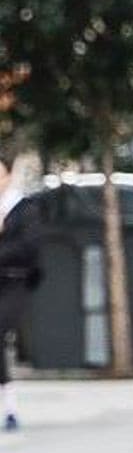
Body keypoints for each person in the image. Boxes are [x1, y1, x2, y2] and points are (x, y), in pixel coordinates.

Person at [0, 146, 42, 432]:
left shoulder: (24, 209)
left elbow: (28, 249)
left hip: (14, 282)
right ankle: (9, 407)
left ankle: (10, 405)